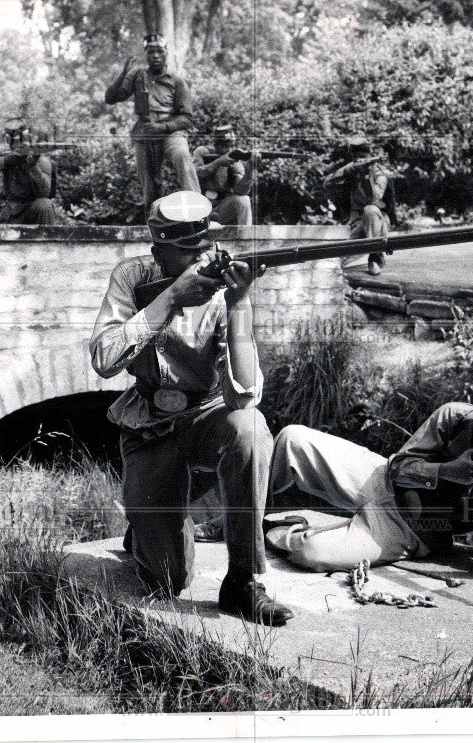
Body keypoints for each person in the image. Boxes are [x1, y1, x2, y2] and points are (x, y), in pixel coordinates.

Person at [89, 191, 293, 626]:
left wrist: (239, 305)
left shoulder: (224, 291)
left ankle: (243, 581)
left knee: (250, 429)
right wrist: (170, 301)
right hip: (149, 425)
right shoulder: (133, 276)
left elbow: (245, 395)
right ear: (158, 251)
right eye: (187, 253)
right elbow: (104, 359)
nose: (201, 261)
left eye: (205, 249)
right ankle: (146, 530)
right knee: (167, 579)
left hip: (207, 416)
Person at [266, 368, 473, 579]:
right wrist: (447, 470)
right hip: (380, 480)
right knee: (293, 438)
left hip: (411, 530)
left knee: (313, 552)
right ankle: (242, 515)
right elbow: (398, 468)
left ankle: (275, 532)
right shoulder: (455, 418)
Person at [104, 34, 201, 210]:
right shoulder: (137, 76)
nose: (155, 55)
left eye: (159, 51)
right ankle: (154, 222)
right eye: (150, 52)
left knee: (182, 156)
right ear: (145, 54)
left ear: (166, 53)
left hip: (171, 132)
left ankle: (198, 209)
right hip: (146, 132)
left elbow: (187, 118)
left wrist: (163, 127)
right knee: (149, 184)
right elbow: (111, 98)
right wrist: (123, 74)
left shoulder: (177, 81)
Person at [321, 135, 393, 275]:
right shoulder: (351, 171)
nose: (359, 159)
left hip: (378, 222)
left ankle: (375, 257)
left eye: (362, 156)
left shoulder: (379, 174)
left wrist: (367, 178)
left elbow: (374, 198)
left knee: (370, 210)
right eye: (356, 156)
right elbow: (327, 184)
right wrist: (350, 169)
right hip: (357, 221)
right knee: (337, 261)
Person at [0, 118, 58, 225]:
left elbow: (44, 192)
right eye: (14, 140)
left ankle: (44, 240)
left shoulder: (41, 159)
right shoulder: (4, 151)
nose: (19, 142)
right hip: (13, 211)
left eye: (21, 139)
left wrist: (32, 166)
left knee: (44, 205)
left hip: (35, 210)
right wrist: (8, 160)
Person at [192, 125, 253, 226]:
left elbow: (241, 191)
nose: (229, 149)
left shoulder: (233, 161)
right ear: (216, 144)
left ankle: (246, 237)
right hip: (198, 209)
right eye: (225, 146)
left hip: (220, 210)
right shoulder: (202, 152)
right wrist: (217, 163)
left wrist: (250, 172)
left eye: (231, 145)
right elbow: (193, 174)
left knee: (244, 200)